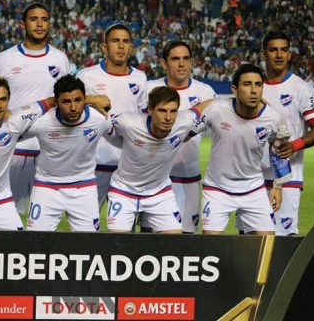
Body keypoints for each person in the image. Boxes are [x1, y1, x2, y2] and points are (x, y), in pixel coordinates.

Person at [0, 76, 109, 230]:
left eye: (3, 99)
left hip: (0, 203)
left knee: (22, 250)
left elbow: (51, 101)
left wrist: (92, 99)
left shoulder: (15, 122)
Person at [0, 2, 71, 215]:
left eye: (44, 19)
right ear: (22, 24)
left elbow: (68, 98)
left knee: (45, 217)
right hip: (14, 149)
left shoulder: (60, 58)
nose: (40, 24)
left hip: (50, 150)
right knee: (7, 215)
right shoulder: (5, 59)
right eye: (34, 19)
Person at [105, 86, 208, 233]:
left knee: (172, 245)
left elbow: (204, 106)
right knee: (118, 243)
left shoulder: (185, 121)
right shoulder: (127, 122)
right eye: (162, 111)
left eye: (173, 111)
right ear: (150, 110)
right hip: (124, 191)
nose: (168, 117)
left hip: (160, 193)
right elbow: (102, 121)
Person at [197, 64, 283, 235]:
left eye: (258, 85)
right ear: (234, 89)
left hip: (253, 189)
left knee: (266, 245)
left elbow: (280, 152)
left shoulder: (273, 118)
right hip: (217, 190)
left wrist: (278, 186)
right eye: (247, 84)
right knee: (210, 246)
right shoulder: (216, 110)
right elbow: (186, 131)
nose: (253, 90)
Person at [255, 30, 314, 235]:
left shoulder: (302, 88)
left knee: (282, 239)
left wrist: (293, 146)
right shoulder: (253, 87)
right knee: (249, 239)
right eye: (273, 50)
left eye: (283, 50)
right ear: (263, 55)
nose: (279, 55)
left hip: (287, 178)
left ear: (289, 54)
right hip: (253, 178)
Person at [23, 74, 110, 231]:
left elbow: (124, 137)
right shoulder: (41, 123)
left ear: (85, 99)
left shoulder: (100, 120)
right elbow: (11, 134)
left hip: (84, 187)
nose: (73, 107)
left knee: (90, 245)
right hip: (46, 187)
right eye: (66, 101)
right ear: (55, 103)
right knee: (35, 243)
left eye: (78, 100)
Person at [147, 40, 216, 233]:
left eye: (186, 58)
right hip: (154, 179)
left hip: (188, 177)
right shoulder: (149, 89)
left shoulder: (205, 92)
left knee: (186, 239)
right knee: (151, 239)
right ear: (163, 63)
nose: (181, 64)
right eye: (175, 59)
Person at [77, 23, 147, 209]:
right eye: (116, 41)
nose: (121, 46)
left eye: (126, 41)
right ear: (104, 47)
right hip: (92, 164)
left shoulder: (140, 78)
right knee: (86, 227)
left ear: (131, 47)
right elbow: (68, 104)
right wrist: (90, 98)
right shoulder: (86, 76)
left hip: (127, 166)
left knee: (124, 229)